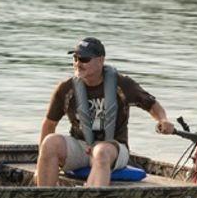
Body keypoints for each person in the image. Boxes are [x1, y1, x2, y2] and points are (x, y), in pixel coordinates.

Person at [36, 37, 175, 187]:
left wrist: (163, 120)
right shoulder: (65, 88)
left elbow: (153, 105)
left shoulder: (123, 84)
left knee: (100, 152)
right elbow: (49, 124)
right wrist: (39, 165)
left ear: (101, 60)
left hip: (114, 148)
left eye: (84, 59)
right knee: (49, 143)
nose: (78, 63)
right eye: (75, 58)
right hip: (81, 145)